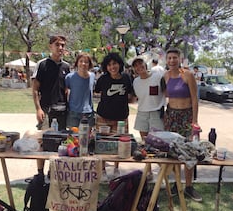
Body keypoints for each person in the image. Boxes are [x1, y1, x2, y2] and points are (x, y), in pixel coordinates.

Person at [163, 48, 202, 202]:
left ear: (180, 59)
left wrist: (195, 120)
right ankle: (177, 182)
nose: (172, 60)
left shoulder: (187, 75)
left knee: (190, 151)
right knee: (174, 151)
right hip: (171, 116)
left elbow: (194, 99)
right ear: (166, 60)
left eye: (174, 58)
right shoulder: (165, 76)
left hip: (186, 117)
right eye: (169, 58)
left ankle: (189, 186)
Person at [32, 34, 70, 178]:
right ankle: (40, 174)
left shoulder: (66, 66)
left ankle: (53, 172)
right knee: (42, 142)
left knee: (60, 143)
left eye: (62, 45)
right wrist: (38, 109)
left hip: (62, 112)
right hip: (46, 110)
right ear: (50, 46)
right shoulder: (42, 64)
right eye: (57, 45)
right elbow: (35, 88)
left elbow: (67, 89)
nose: (60, 48)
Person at [95, 52, 134, 180]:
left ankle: (116, 169)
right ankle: (103, 170)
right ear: (106, 67)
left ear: (119, 64)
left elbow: (130, 95)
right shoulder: (102, 79)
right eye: (109, 65)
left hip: (121, 118)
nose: (112, 67)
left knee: (120, 143)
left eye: (115, 64)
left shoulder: (127, 78)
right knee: (102, 143)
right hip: (103, 117)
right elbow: (97, 92)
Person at [132, 57, 166, 181]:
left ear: (145, 64)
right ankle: (149, 171)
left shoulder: (157, 76)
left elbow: (166, 91)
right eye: (136, 65)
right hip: (142, 113)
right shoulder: (135, 81)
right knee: (146, 145)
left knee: (158, 145)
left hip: (156, 112)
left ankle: (162, 175)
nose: (139, 67)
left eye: (140, 64)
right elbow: (136, 98)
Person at [65, 52, 96, 128]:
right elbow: (65, 92)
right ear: (77, 63)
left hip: (88, 113)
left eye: (86, 62)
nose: (83, 64)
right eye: (81, 61)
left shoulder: (92, 76)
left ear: (89, 64)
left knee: (88, 137)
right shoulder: (69, 77)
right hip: (73, 113)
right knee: (73, 138)